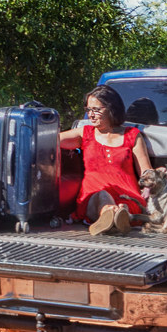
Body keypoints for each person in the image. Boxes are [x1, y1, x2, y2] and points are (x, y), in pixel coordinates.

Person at [60, 84, 153, 235]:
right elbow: (51, 139)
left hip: (127, 196)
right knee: (103, 196)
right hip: (93, 196)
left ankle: (116, 218)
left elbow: (146, 171)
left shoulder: (132, 135)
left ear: (111, 109)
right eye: (88, 110)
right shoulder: (85, 133)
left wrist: (149, 188)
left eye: (96, 110)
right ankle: (111, 217)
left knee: (124, 205)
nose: (91, 115)